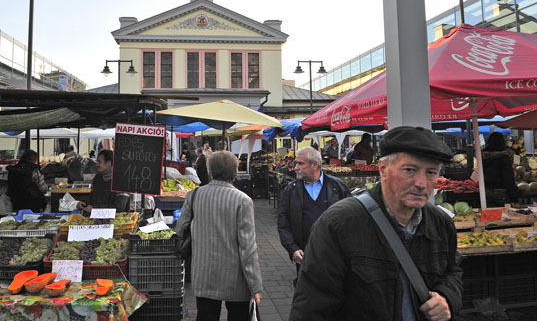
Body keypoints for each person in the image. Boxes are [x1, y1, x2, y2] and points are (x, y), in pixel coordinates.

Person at [290, 126, 463, 320]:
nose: (421, 183)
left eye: (431, 172)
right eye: (409, 170)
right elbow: (311, 307)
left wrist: (447, 297)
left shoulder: (440, 224)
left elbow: (453, 272)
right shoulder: (338, 225)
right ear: (383, 169)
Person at [176, 151, 262, 320]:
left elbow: (180, 230)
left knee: (206, 316)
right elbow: (248, 247)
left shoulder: (193, 196)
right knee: (239, 316)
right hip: (235, 278)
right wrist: (255, 284)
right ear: (234, 172)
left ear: (210, 172)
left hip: (203, 273)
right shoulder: (243, 200)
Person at [277, 146, 351, 279]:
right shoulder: (290, 191)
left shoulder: (337, 187)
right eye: (296, 163)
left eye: (300, 163)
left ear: (315, 165)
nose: (296, 168)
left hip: (335, 256)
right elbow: (283, 223)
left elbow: (352, 220)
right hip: (305, 257)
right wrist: (292, 249)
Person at [482, 132, 520, 206]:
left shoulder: (483, 157)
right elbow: (508, 178)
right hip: (501, 191)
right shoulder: (503, 157)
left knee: (491, 215)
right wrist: (514, 197)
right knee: (506, 215)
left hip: (487, 191)